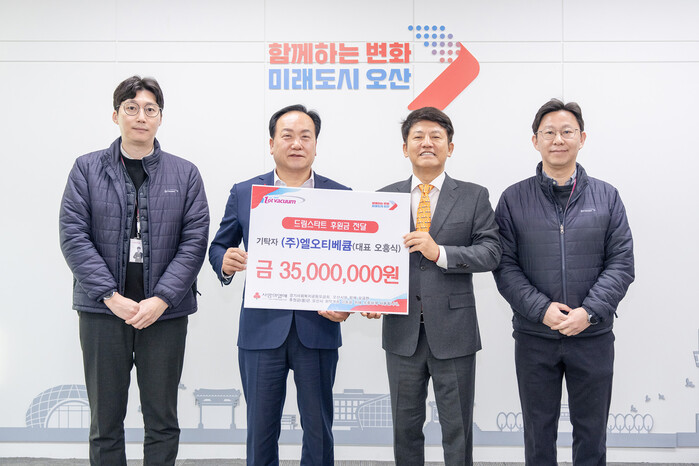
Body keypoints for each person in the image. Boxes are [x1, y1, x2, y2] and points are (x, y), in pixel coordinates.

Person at [59, 75, 210, 465]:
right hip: (103, 311)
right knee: (105, 421)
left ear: (160, 117)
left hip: (165, 314)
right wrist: (110, 297)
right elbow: (73, 235)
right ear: (116, 115)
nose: (141, 116)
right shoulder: (86, 169)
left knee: (162, 419)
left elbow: (194, 241)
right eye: (131, 108)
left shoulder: (185, 173)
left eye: (150, 109)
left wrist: (162, 299)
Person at [493, 98, 634, 465]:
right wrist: (541, 310)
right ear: (535, 140)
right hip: (535, 336)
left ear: (581, 138)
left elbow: (621, 263)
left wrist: (589, 312)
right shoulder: (513, 198)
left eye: (567, 131)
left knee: (592, 432)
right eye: (549, 132)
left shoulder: (607, 196)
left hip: (592, 335)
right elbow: (504, 266)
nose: (558, 139)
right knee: (538, 433)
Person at [208, 104, 350, 466]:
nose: (296, 143)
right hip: (261, 329)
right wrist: (224, 262)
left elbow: (352, 262)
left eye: (305, 136)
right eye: (287, 136)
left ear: (316, 145)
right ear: (271, 144)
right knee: (260, 430)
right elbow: (219, 246)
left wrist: (348, 302)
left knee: (319, 430)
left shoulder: (341, 195)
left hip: (318, 328)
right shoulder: (245, 192)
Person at [364, 107, 501, 465]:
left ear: (450, 147)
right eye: (418, 137)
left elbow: (491, 252)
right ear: (405, 147)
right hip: (401, 332)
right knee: (404, 429)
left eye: (436, 136)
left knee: (458, 430)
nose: (427, 143)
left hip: (454, 332)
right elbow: (370, 260)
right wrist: (370, 298)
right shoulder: (383, 198)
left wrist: (439, 252)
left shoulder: (473, 196)